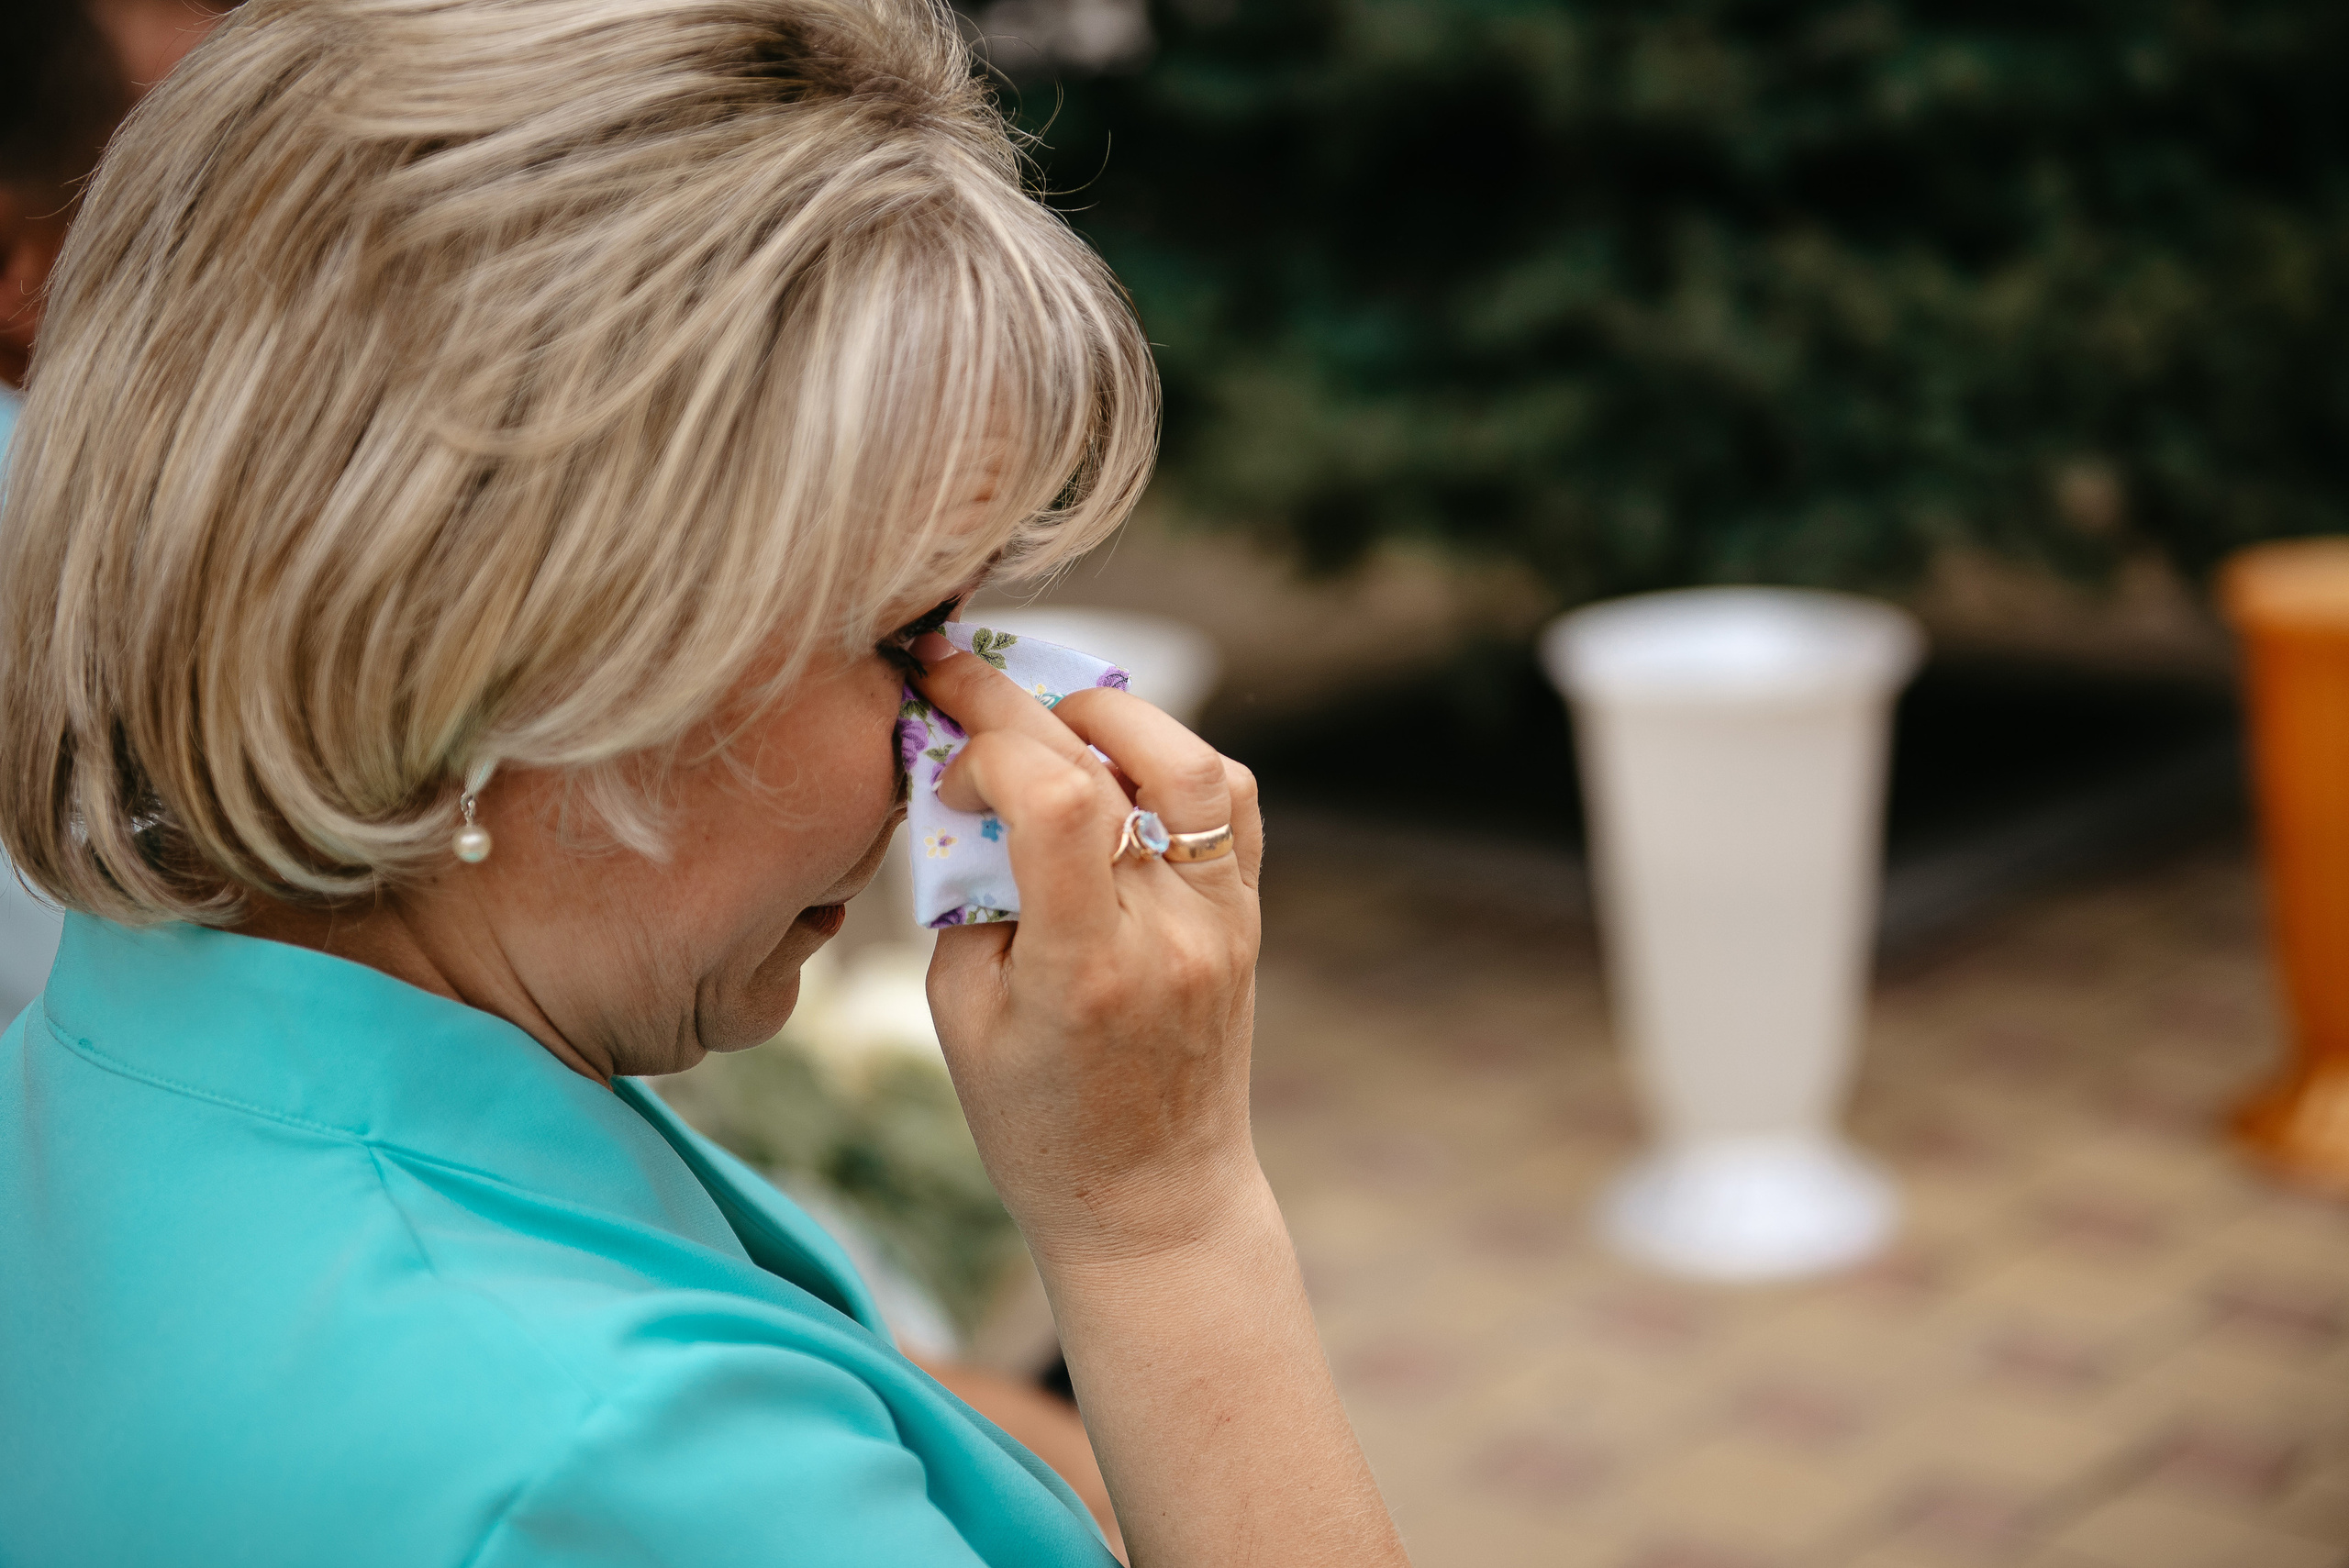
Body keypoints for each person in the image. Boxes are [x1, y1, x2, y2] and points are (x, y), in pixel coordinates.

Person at [0, 3, 1411, 1566]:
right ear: (512, 654)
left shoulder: (118, 1058)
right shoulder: (606, 1457)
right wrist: (1166, 1220)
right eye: (909, 629)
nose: (984, 733)